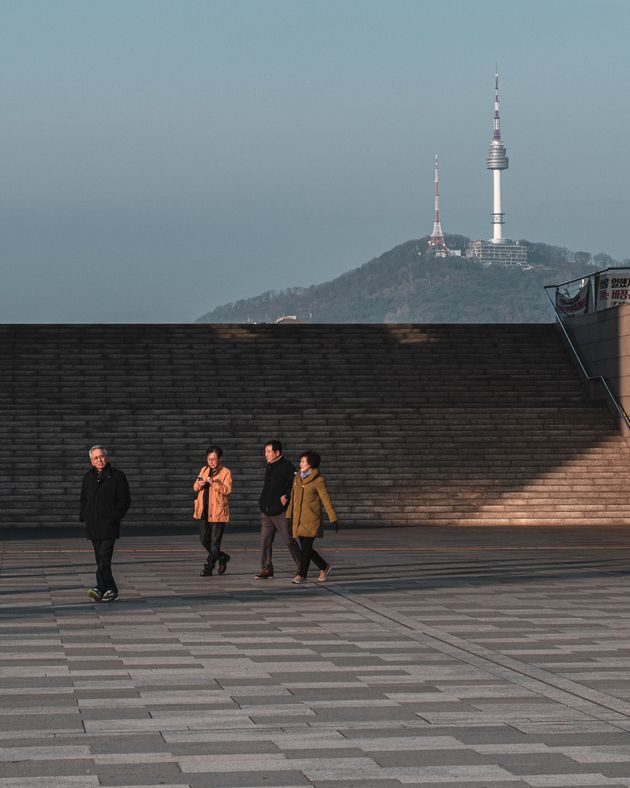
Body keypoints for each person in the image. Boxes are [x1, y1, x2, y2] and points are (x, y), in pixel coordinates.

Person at [80, 445, 130, 603]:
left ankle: (100, 587)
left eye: (101, 456)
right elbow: (84, 498)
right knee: (99, 558)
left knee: (104, 558)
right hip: (93, 524)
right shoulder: (88, 477)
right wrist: (84, 515)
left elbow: (124, 500)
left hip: (109, 524)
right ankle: (111, 589)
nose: (99, 460)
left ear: (106, 457)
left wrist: (115, 516)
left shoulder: (117, 476)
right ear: (91, 461)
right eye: (96, 458)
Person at [286, 449, 338, 585]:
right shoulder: (297, 478)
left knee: (306, 548)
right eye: (301, 461)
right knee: (306, 549)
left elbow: (325, 499)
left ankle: (301, 574)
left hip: (312, 520)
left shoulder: (318, 480)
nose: (300, 463)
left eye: (303, 461)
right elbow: (293, 498)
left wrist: (333, 518)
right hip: (298, 520)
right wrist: (288, 515)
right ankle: (324, 566)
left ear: (311, 463)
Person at [255, 440, 301, 580]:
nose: (266, 455)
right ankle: (266, 568)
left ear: (277, 453)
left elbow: (296, 483)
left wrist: (286, 496)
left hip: (281, 511)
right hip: (267, 511)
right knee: (265, 541)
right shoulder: (270, 466)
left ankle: (301, 567)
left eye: (269, 452)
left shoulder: (287, 466)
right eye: (265, 452)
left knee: (289, 540)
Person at [193, 445, 233, 576]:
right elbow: (195, 487)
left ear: (220, 459)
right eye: (209, 459)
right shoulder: (203, 469)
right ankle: (222, 557)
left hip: (218, 512)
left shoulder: (226, 472)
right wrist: (200, 484)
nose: (211, 461)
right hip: (203, 510)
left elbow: (227, 490)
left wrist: (213, 482)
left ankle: (208, 567)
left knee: (215, 542)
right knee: (204, 540)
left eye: (214, 459)